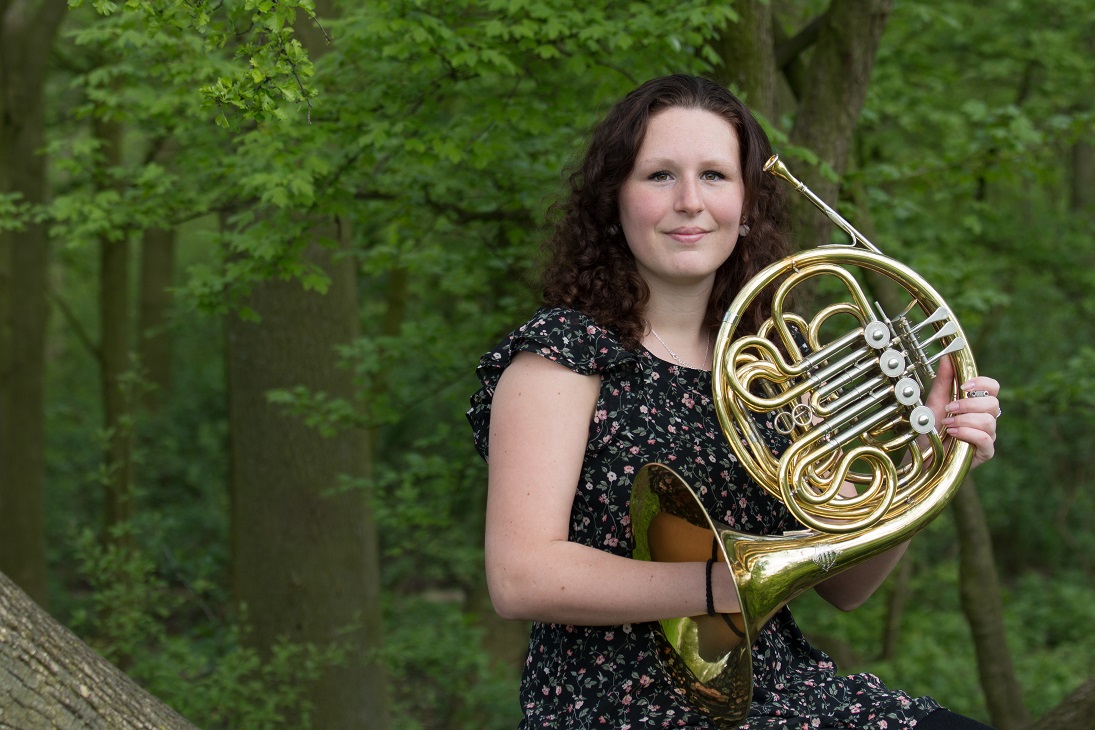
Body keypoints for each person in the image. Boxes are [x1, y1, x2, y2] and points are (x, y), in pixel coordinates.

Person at [467, 74, 1001, 730]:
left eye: (715, 176)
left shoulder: (768, 370)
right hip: (615, 704)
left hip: (776, 691)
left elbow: (844, 587)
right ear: (615, 202)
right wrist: (723, 586)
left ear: (747, 204)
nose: (689, 201)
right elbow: (521, 576)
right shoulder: (563, 353)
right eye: (659, 175)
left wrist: (929, 461)